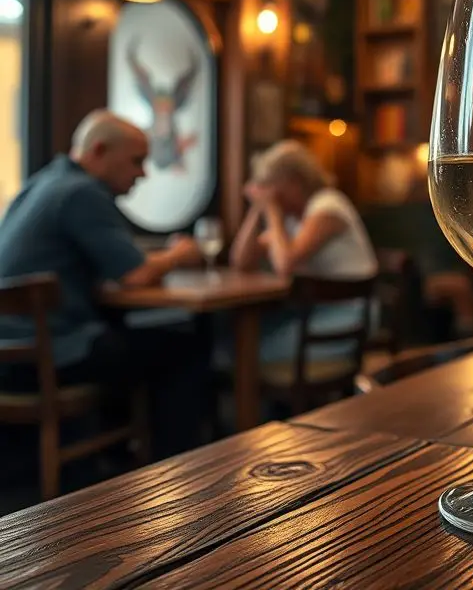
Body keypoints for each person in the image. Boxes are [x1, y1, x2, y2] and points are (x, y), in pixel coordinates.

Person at [0, 110, 209, 458]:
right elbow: (135, 274)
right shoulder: (83, 192)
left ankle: (115, 458)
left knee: (126, 337)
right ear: (98, 151)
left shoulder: (41, 184)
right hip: (48, 356)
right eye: (136, 161)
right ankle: (176, 470)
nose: (143, 173)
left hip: (9, 353)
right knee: (186, 344)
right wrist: (179, 254)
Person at [229, 140, 378, 365]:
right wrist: (256, 209)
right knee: (233, 340)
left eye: (274, 187)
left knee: (241, 350)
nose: (273, 195)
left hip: (349, 318)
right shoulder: (292, 218)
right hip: (314, 313)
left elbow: (285, 264)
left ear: (294, 182)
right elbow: (240, 260)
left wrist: (271, 212)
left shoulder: (327, 206)